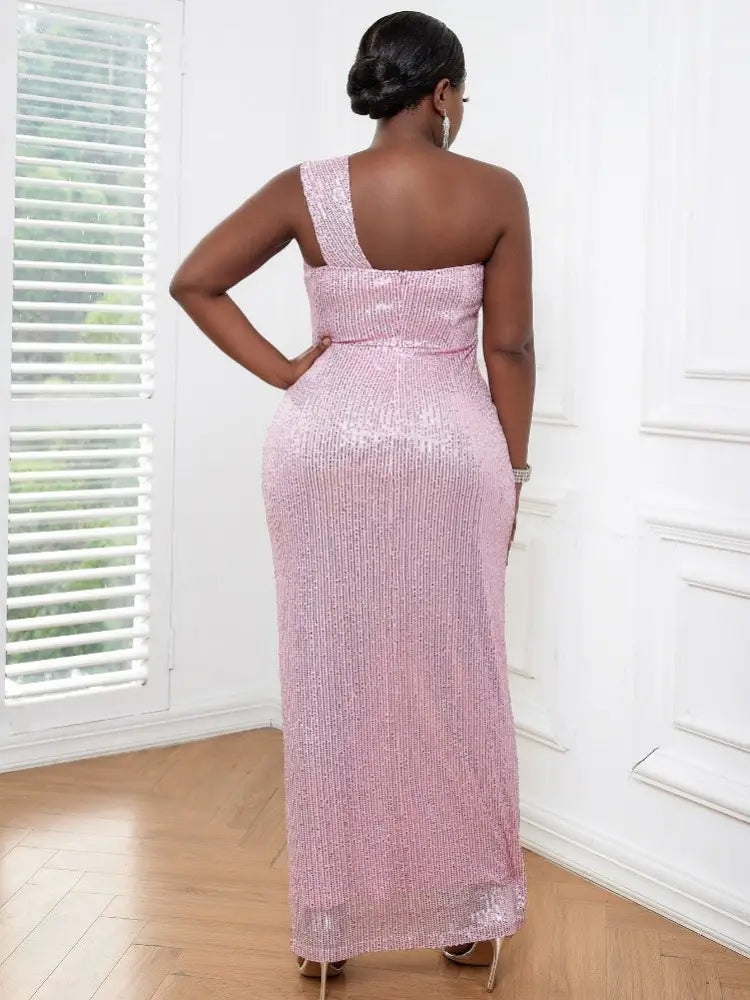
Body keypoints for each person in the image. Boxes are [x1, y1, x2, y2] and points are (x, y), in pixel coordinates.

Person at [170, 10, 535, 996]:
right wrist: (513, 474)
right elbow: (508, 349)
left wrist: (292, 371)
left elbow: (196, 282)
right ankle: (470, 918)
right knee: (458, 679)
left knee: (328, 677)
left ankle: (328, 930)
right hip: (451, 452)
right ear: (444, 93)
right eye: (463, 95)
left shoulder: (308, 187)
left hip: (324, 444)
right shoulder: (495, 191)